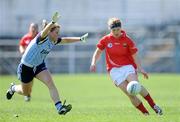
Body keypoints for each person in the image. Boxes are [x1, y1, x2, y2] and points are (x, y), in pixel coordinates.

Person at [6, 12, 88, 115]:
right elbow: (44, 31)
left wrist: (80, 39)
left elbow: (66, 40)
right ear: (49, 32)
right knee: (26, 92)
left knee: (50, 83)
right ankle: (13, 88)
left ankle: (59, 107)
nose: (58, 35)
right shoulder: (42, 37)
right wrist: (52, 22)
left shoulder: (53, 40)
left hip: (39, 65)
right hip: (26, 67)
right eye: (56, 32)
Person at [90, 17, 163, 115]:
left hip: (127, 67)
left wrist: (140, 68)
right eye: (114, 30)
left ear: (121, 28)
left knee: (135, 85)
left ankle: (153, 105)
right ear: (110, 29)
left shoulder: (127, 40)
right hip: (114, 70)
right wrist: (93, 62)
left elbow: (135, 55)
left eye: (118, 29)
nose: (116, 32)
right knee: (130, 93)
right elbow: (98, 51)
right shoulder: (105, 40)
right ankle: (146, 113)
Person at [19, 23, 39, 102]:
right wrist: (22, 50)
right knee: (25, 80)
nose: (33, 29)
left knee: (31, 80)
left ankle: (27, 93)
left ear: (37, 29)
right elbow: (21, 45)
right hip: (26, 63)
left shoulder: (39, 37)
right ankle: (26, 93)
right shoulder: (26, 37)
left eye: (35, 27)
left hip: (36, 62)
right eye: (32, 27)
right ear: (29, 28)